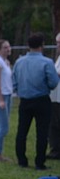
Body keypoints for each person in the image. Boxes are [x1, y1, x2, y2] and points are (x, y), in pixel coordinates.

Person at [12, 32, 59, 170]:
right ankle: (39, 162)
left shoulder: (19, 62)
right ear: (42, 45)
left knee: (22, 131)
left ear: (28, 45)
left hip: (25, 100)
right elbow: (54, 82)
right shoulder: (47, 62)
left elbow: (14, 82)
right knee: (42, 132)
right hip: (42, 100)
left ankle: (22, 160)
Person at [47, 32, 60, 160]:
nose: (57, 46)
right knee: (54, 124)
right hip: (55, 97)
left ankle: (56, 150)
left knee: (55, 124)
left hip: (58, 98)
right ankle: (55, 149)